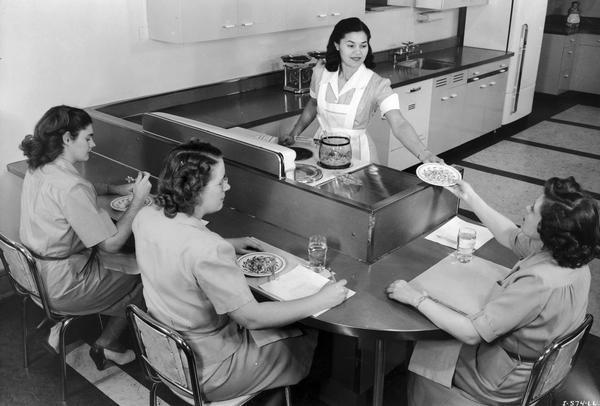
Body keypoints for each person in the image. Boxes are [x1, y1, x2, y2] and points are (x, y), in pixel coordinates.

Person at [132, 140, 349, 402]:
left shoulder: (146, 216)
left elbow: (177, 248)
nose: (228, 186)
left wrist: (227, 244)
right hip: (208, 371)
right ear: (196, 189)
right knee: (313, 336)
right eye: (221, 181)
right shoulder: (208, 249)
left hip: (164, 355)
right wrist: (321, 299)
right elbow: (252, 318)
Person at [387, 176, 600, 405]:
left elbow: (471, 333)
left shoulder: (538, 282)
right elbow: (510, 235)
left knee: (431, 348)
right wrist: (469, 196)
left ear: (549, 229)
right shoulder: (571, 255)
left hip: (503, 380)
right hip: (543, 367)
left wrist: (415, 297)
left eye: (533, 209)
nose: (526, 209)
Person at [19, 105, 152, 370]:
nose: (93, 143)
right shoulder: (73, 186)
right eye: (88, 137)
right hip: (60, 284)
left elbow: (75, 191)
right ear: (67, 139)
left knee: (125, 261)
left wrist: (113, 188)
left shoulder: (39, 167)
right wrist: (137, 200)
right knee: (146, 271)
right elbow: (111, 244)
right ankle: (109, 345)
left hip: (32, 275)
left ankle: (63, 325)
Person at [279, 17, 442, 165]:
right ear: (337, 45)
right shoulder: (321, 73)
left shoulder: (377, 84)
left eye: (363, 46)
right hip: (321, 151)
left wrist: (425, 155)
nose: (358, 52)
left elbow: (399, 123)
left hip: (358, 156)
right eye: (350, 45)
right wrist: (294, 133)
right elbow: (314, 104)